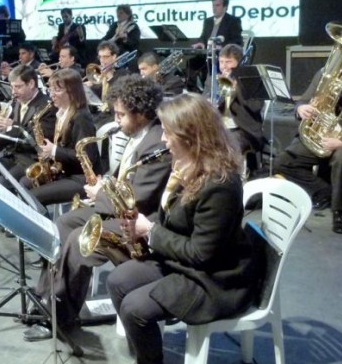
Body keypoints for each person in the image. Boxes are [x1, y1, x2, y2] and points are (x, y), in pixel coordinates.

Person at [107, 93, 256, 364]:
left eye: (168, 133)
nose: (163, 140)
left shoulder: (220, 184)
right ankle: (144, 349)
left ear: (191, 136)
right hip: (183, 262)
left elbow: (202, 253)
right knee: (117, 280)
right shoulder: (186, 165)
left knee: (134, 308)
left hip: (215, 278)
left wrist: (149, 231)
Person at [23, 75, 171, 342]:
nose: (116, 120)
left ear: (140, 113)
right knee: (63, 224)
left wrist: (100, 193)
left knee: (80, 241)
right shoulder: (140, 134)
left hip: (138, 220)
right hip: (117, 208)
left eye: (121, 114)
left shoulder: (157, 143)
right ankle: (46, 297)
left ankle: (61, 316)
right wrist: (105, 186)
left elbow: (138, 198)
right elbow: (125, 181)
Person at [273, 52, 342, 234]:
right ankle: (326, 192)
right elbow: (304, 100)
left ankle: (338, 212)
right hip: (322, 135)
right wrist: (301, 108)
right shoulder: (324, 73)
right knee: (282, 162)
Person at [19, 68, 100, 206]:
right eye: (50, 89)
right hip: (66, 171)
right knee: (24, 183)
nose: (52, 95)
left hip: (81, 178)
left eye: (57, 90)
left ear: (72, 92)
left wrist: (54, 151)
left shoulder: (81, 117)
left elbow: (88, 157)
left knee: (34, 196)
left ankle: (43, 227)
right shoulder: (61, 113)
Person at [0, 64, 56, 191]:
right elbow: (11, 134)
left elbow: (40, 140)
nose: (13, 92)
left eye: (18, 87)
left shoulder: (46, 106)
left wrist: (13, 126)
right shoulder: (15, 102)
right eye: (12, 87)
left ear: (31, 84)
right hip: (13, 155)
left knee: (1, 185)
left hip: (32, 158)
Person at [201, 44, 266, 158]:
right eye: (221, 62)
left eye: (228, 62)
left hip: (243, 130)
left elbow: (256, 107)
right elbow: (202, 102)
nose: (224, 66)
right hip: (217, 128)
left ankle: (228, 175)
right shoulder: (213, 80)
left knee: (224, 147)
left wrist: (237, 89)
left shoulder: (250, 80)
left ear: (239, 62)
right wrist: (207, 102)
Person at [86, 41, 130, 126]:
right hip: (100, 113)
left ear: (114, 57)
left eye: (105, 57)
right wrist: (88, 87)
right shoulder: (100, 75)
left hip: (114, 114)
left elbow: (117, 94)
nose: (102, 60)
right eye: (100, 57)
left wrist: (109, 75)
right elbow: (94, 98)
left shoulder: (123, 74)